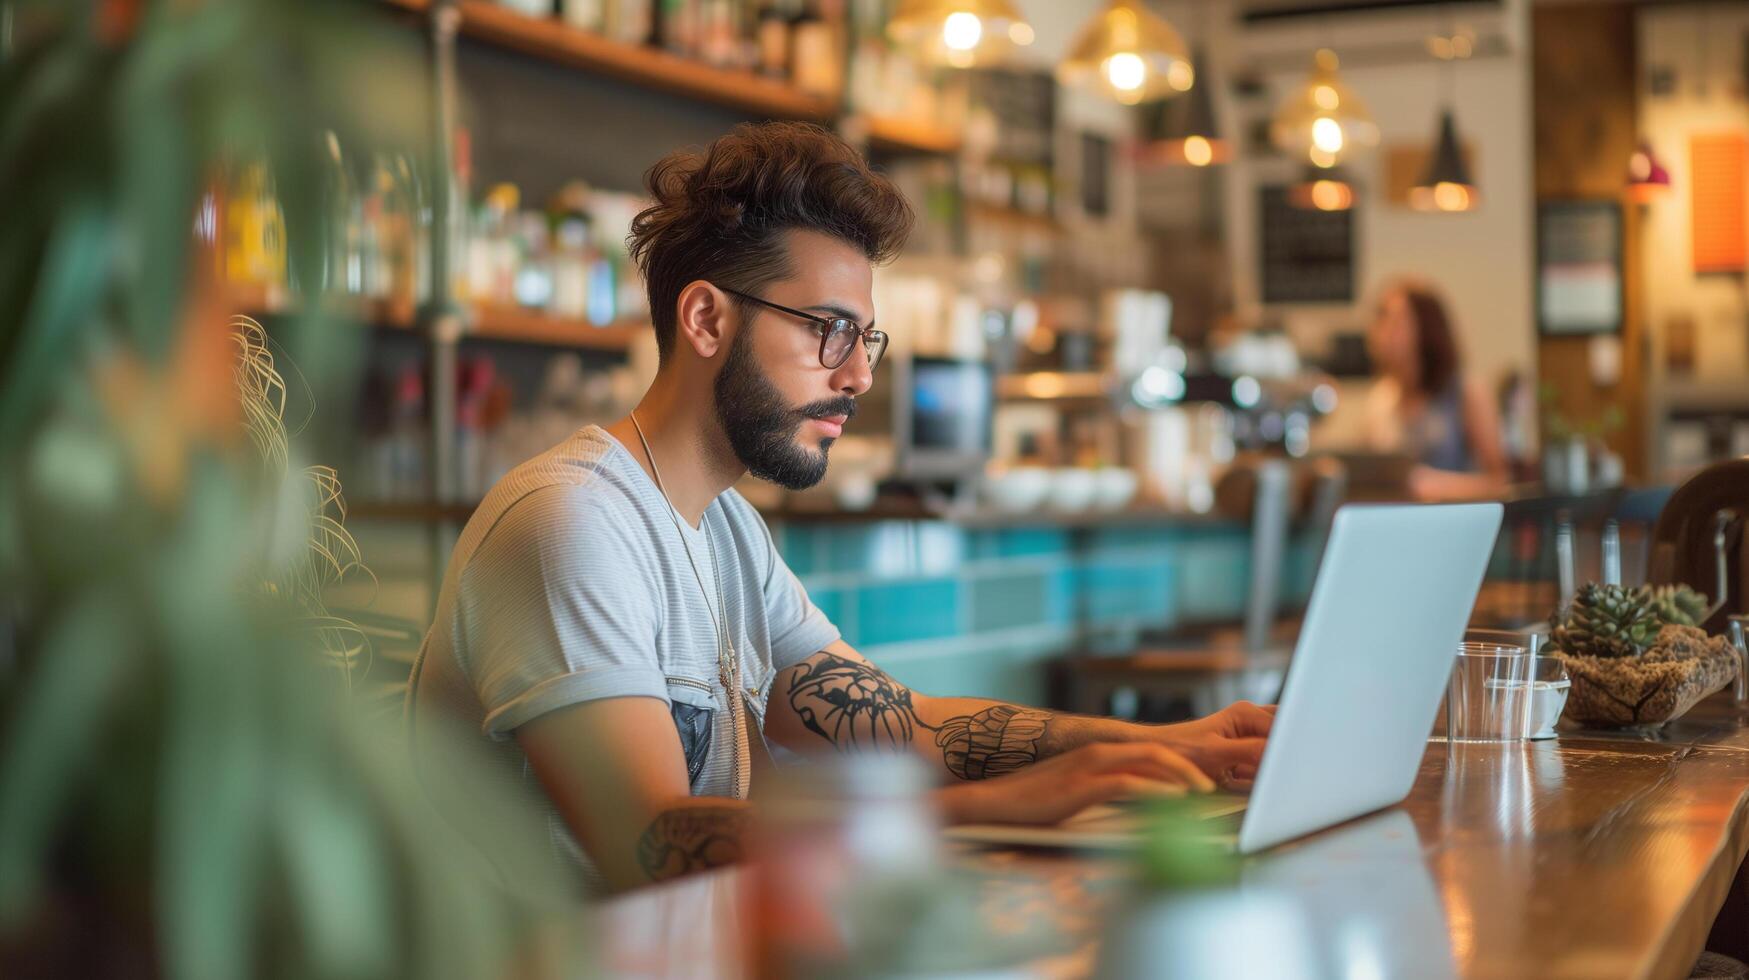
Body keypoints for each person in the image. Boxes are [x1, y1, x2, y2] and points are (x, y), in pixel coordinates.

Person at [406, 122, 1273, 893]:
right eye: (827, 328)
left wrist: (1157, 746)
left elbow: (894, 720)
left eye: (865, 337)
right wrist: (1006, 807)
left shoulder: (727, 532)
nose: (857, 374)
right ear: (706, 319)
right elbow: (650, 841)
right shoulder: (573, 522)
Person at [1361, 279, 1509, 501]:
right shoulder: (1380, 400)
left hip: (1457, 527)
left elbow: (1500, 482)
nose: (1380, 333)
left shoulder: (1467, 393)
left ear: (1425, 327)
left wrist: (1438, 485)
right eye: (1379, 320)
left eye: (1394, 322)